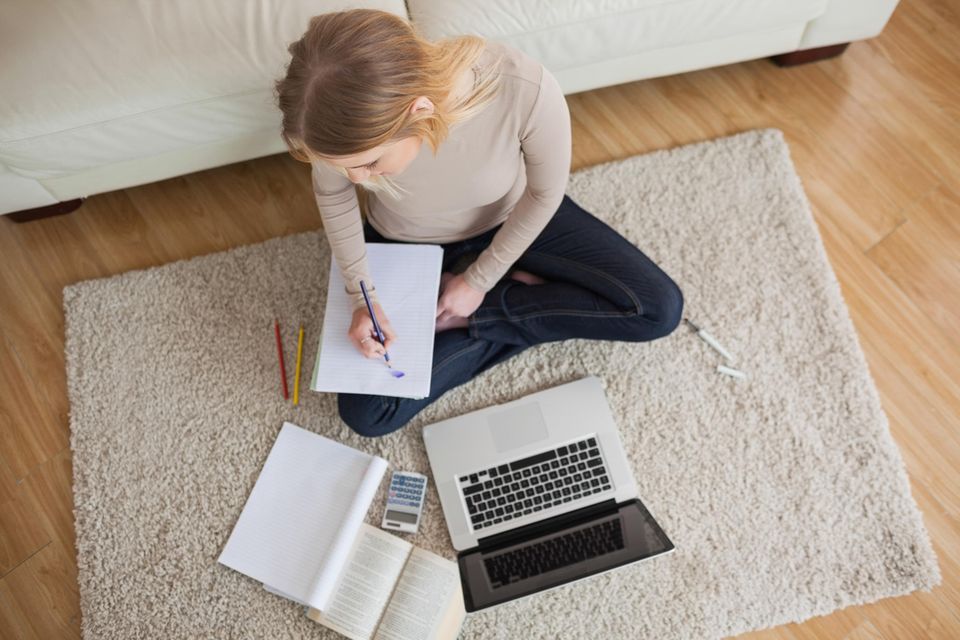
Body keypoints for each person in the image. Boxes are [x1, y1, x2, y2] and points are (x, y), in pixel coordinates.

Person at [275, 9, 684, 437]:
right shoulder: (330, 123)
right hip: (406, 240)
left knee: (657, 310)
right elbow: (333, 195)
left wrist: (478, 285)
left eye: (369, 164)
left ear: (420, 111)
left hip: (513, 217)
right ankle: (537, 307)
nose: (357, 179)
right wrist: (362, 295)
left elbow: (544, 195)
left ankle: (486, 316)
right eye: (345, 168)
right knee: (367, 414)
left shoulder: (523, 87)